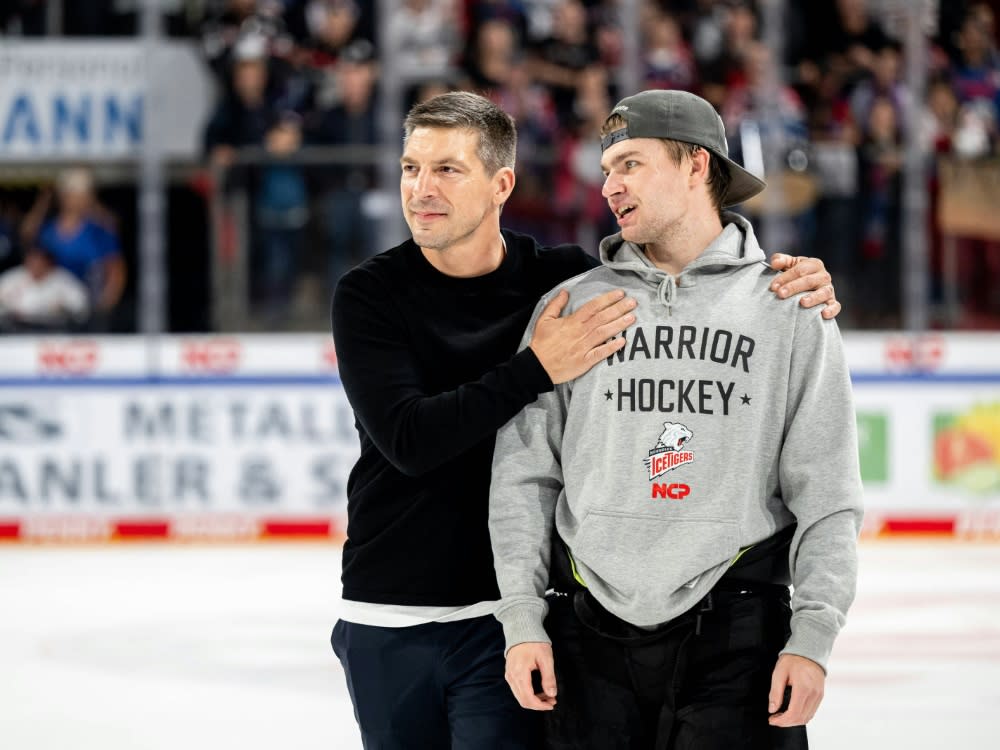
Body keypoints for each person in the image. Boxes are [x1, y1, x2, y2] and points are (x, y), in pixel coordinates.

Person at [330, 90, 842, 749]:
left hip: (533, 620)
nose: (421, 188)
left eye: (447, 169)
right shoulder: (381, 295)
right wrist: (535, 365)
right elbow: (415, 441)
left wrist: (798, 281)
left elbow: (685, 279)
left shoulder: (568, 285)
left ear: (500, 184)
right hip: (402, 607)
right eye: (410, 168)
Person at [489, 89, 864, 749]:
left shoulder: (788, 306)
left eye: (629, 164)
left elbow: (828, 493)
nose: (608, 185)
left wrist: (813, 639)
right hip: (587, 641)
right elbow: (523, 478)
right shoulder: (571, 308)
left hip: (738, 640)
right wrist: (522, 621)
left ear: (696, 165)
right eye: (607, 170)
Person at [0, 242, 90, 332]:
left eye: (39, 262)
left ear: (48, 263)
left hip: (55, 331)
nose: (35, 266)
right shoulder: (11, 279)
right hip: (15, 331)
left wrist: (63, 309)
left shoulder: (64, 280)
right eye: (32, 262)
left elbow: (81, 308)